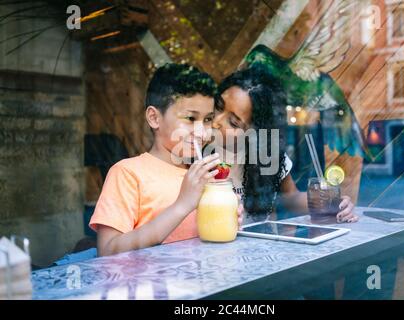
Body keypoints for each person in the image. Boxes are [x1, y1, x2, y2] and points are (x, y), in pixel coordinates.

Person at [89, 63, 243, 257]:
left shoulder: (205, 176)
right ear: (154, 118)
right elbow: (108, 251)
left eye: (207, 120)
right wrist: (182, 205)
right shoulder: (127, 173)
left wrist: (228, 219)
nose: (202, 132)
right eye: (190, 118)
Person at [211, 66, 358, 224]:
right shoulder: (198, 153)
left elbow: (290, 197)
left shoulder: (267, 156)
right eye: (218, 107)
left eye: (233, 122)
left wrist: (334, 205)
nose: (216, 122)